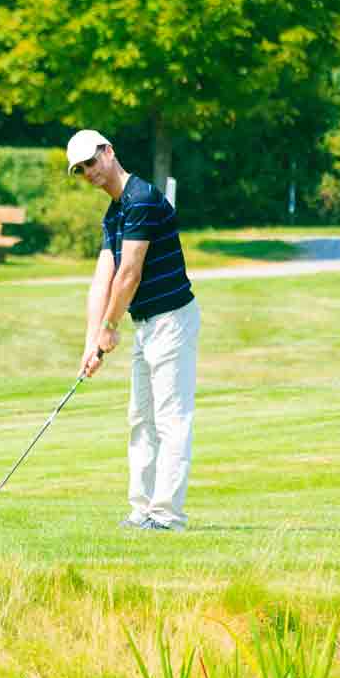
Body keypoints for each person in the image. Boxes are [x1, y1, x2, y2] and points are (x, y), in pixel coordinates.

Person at [67, 129, 200, 532]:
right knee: (140, 418)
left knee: (170, 418)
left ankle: (166, 515)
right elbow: (102, 278)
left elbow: (130, 274)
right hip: (146, 324)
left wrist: (109, 328)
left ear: (109, 151)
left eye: (91, 162)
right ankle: (141, 509)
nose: (88, 172)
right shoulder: (115, 212)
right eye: (80, 169)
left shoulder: (141, 199)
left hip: (172, 319)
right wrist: (92, 340)